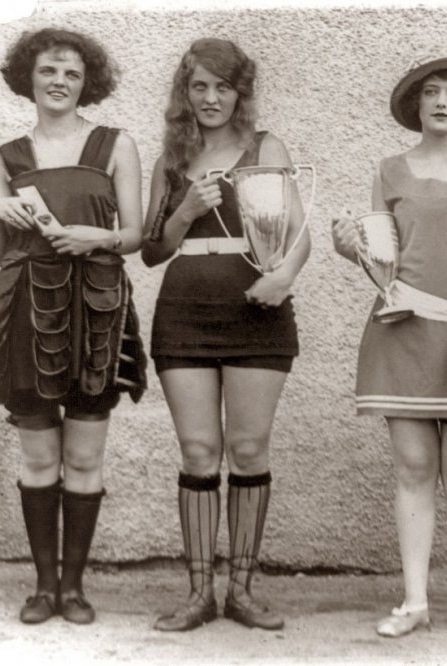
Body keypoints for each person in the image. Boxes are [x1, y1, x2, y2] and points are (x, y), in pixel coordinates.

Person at [332, 56, 447, 645]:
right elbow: (386, 270)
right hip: (405, 334)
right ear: (415, 105)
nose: (441, 101)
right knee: (413, 471)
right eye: (430, 93)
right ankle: (414, 602)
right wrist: (352, 252)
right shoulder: (390, 170)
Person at [142, 37, 310, 633]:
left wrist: (284, 278)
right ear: (184, 93)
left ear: (240, 93)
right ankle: (198, 594)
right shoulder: (172, 158)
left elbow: (298, 233)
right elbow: (152, 251)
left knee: (247, 450)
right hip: (184, 313)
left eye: (222, 87)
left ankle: (240, 589)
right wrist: (185, 211)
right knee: (197, 453)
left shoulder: (266, 147)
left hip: (256, 314)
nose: (211, 98)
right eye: (199, 86)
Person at [0, 28, 146, 625]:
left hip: (95, 312)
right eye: (49, 71)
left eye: (72, 74)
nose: (59, 82)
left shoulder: (115, 145)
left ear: (87, 83)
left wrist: (94, 237)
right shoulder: (7, 156)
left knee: (83, 455)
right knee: (36, 457)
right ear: (28, 76)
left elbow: (136, 235)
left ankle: (75, 588)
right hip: (26, 310)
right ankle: (43, 588)